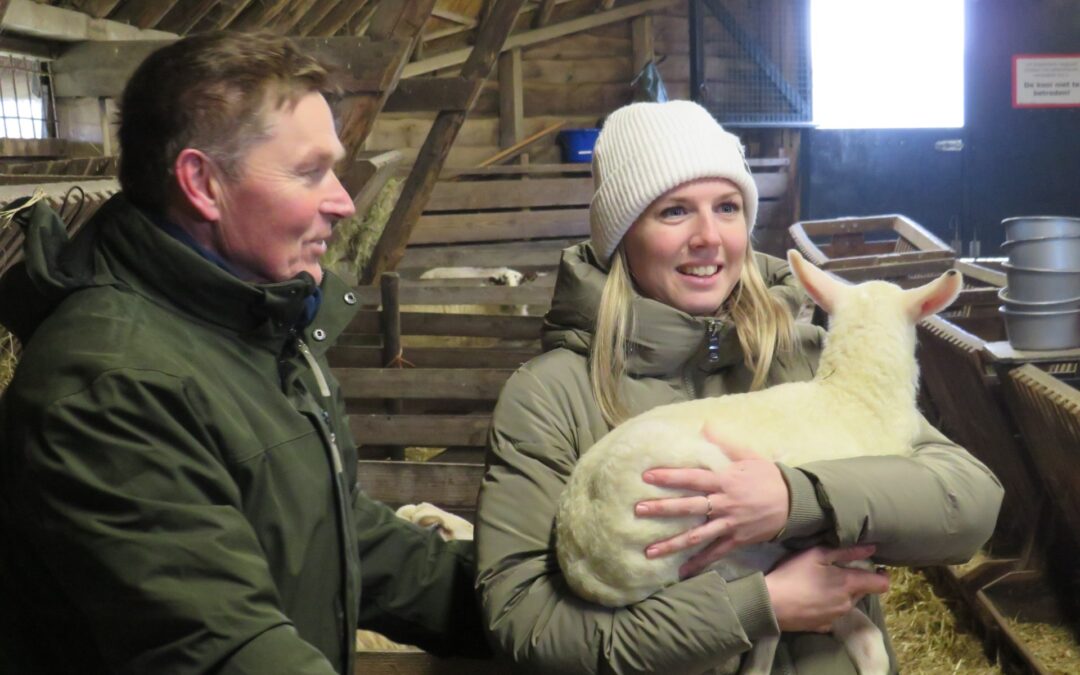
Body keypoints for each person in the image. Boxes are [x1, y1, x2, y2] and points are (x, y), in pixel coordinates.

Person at [0, 32, 489, 674]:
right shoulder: (109, 389)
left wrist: (530, 607)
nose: (343, 201)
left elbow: (334, 539)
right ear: (203, 183)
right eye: (311, 171)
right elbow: (224, 653)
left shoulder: (254, 331)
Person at [474, 100, 1003, 674]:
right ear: (622, 234)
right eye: (674, 211)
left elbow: (967, 502)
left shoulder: (808, 358)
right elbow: (525, 623)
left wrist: (796, 498)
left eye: (727, 207)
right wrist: (758, 605)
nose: (709, 236)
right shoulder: (552, 395)